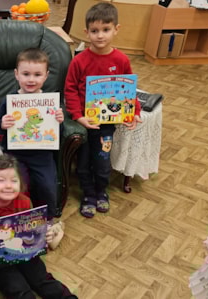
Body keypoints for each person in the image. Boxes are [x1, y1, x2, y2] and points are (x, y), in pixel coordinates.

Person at [64, 2, 142, 218]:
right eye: (95, 31)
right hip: (83, 125)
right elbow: (69, 91)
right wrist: (78, 117)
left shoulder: (121, 60)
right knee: (82, 164)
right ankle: (88, 195)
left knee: (102, 161)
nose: (100, 36)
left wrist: (133, 112)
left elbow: (128, 90)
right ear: (86, 32)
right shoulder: (79, 61)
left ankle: (101, 193)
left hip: (107, 125)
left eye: (106, 30)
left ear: (116, 29)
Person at [0, 48, 64, 249]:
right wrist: (2, 124)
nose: (31, 79)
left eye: (37, 74)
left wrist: (59, 121)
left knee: (48, 186)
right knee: (15, 188)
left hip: (42, 155)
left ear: (46, 76)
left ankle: (49, 223)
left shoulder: (51, 103)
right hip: (15, 156)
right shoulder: (9, 102)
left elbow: (58, 131)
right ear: (16, 74)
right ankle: (17, 224)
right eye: (26, 74)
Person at [0, 154, 75, 299]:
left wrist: (44, 236)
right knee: (16, 287)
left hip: (22, 250)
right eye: (1, 180)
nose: (8, 185)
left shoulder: (24, 202)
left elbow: (33, 233)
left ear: (20, 185)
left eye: (14, 180)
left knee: (41, 278)